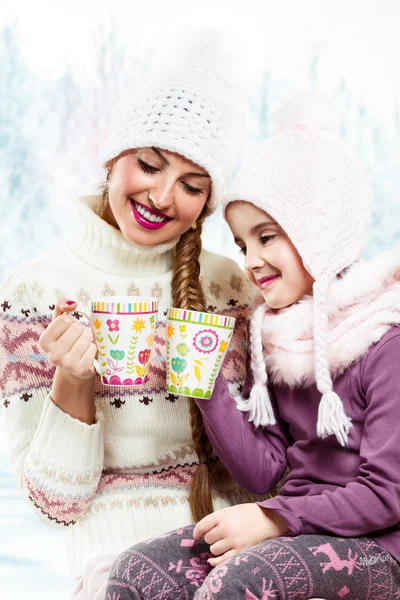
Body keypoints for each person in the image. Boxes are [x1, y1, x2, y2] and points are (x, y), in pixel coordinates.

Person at [105, 99, 400, 600]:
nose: (252, 261)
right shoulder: (281, 343)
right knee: (138, 573)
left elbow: (387, 495)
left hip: (381, 547)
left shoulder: (385, 343)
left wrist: (272, 517)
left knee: (240, 581)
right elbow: (263, 470)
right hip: (299, 528)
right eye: (242, 245)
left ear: (319, 237)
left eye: (266, 238)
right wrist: (202, 381)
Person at [0, 58, 257, 599]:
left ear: (207, 204)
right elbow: (56, 504)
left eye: (191, 185)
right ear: (113, 158)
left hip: (240, 561)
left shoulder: (230, 288)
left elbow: (270, 458)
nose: (162, 198)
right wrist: (73, 382)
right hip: (112, 572)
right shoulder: (31, 294)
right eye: (149, 164)